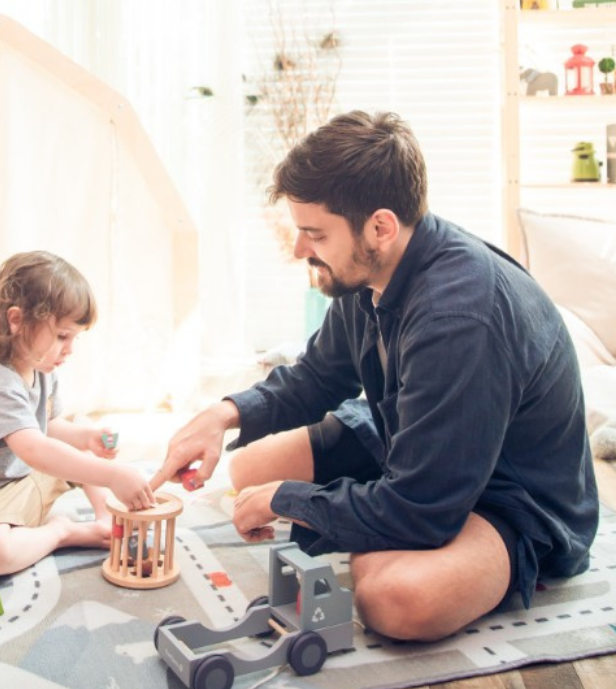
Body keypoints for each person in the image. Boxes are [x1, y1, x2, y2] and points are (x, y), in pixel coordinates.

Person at [151, 111, 598, 641]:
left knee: (392, 598)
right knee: (250, 468)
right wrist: (222, 415)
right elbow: (318, 376)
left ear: (380, 227)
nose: (300, 250)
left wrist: (293, 501)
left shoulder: (458, 318)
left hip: (508, 494)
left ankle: (372, 515)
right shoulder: (369, 271)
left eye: (314, 233)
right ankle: (367, 506)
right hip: (412, 436)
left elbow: (423, 508)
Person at [0, 251, 156, 576]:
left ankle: (106, 518)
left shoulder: (42, 368)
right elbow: (34, 448)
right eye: (63, 336)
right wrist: (112, 474)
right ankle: (62, 532)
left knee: (81, 440)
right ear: (17, 321)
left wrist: (85, 437)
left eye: (74, 338)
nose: (70, 349)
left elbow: (49, 426)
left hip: (19, 485)